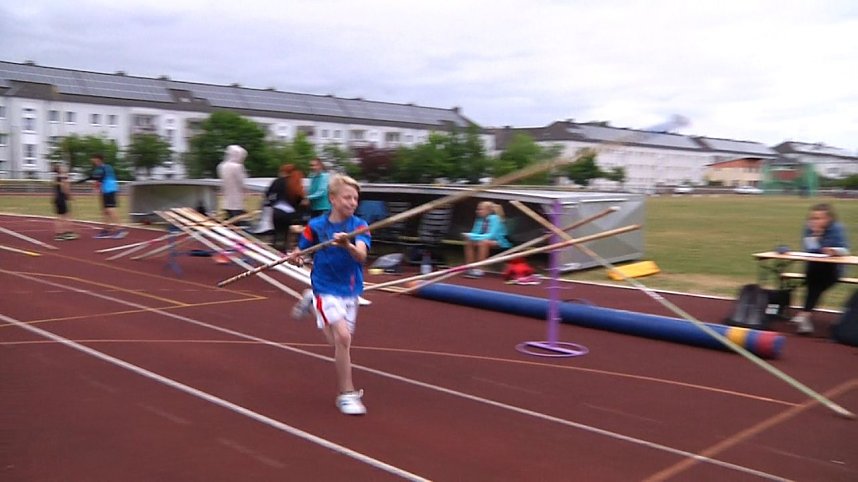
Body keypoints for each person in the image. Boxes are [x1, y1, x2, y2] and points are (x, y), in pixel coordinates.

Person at [288, 174, 370, 415]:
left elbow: (362, 256)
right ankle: (347, 394)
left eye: (356, 198)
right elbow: (300, 250)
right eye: (347, 197)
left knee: (337, 342)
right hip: (324, 286)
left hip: (350, 289)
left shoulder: (360, 226)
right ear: (333, 199)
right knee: (343, 339)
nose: (352, 202)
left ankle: (311, 304)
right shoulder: (316, 226)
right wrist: (296, 256)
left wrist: (347, 245)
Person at [791, 203, 850, 335]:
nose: (814, 221)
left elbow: (845, 250)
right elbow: (809, 250)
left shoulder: (837, 228)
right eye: (812, 218)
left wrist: (834, 250)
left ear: (828, 219)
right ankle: (805, 316)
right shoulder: (808, 228)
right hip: (814, 269)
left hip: (833, 270)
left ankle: (804, 315)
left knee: (815, 283)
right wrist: (816, 235)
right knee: (815, 279)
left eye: (818, 218)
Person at [78, 153, 125, 238]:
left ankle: (120, 229)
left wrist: (94, 188)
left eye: (93, 159)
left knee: (110, 210)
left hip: (109, 190)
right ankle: (106, 230)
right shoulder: (106, 167)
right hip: (106, 190)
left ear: (98, 159)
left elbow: (98, 179)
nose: (92, 161)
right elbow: (98, 179)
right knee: (105, 211)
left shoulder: (102, 168)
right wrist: (97, 188)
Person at [462, 201, 511, 278]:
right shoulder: (479, 220)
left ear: (488, 211)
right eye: (477, 209)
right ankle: (470, 267)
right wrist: (470, 236)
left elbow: (491, 235)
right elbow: (475, 233)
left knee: (483, 242)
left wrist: (471, 235)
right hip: (487, 240)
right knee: (469, 241)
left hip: (501, 242)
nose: (477, 211)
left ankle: (480, 269)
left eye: (480, 209)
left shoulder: (495, 218)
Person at [265, 163, 307, 252]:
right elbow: (299, 198)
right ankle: (283, 251)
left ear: (283, 171)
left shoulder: (277, 181)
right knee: (285, 234)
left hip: (277, 210)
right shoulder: (295, 182)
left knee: (277, 234)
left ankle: (275, 250)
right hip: (289, 213)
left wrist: (273, 203)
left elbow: (268, 194)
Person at [217, 145, 248, 221]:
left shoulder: (221, 166)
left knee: (229, 221)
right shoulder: (237, 167)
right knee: (237, 221)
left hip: (226, 201)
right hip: (237, 201)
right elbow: (242, 182)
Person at [51, 163, 78, 241]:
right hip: (62, 198)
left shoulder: (56, 178)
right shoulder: (64, 178)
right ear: (60, 170)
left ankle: (59, 234)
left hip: (57, 199)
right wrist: (70, 196)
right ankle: (68, 233)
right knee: (66, 216)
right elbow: (65, 188)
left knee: (59, 217)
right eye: (62, 167)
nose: (64, 168)